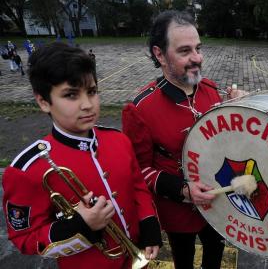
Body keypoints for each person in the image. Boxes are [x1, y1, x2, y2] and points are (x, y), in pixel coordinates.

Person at [2, 42, 162, 269]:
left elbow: (138, 187)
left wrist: (149, 225)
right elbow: (24, 239)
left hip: (137, 258)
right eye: (71, 95)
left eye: (92, 91)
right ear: (43, 102)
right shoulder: (26, 170)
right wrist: (78, 225)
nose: (87, 105)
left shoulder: (119, 140)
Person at [122, 10, 246, 269]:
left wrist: (239, 111)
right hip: (177, 210)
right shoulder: (139, 108)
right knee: (184, 259)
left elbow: (226, 145)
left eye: (198, 48)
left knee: (214, 251)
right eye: (185, 51)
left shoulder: (211, 89)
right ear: (160, 54)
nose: (197, 58)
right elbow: (137, 171)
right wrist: (182, 189)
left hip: (218, 198)